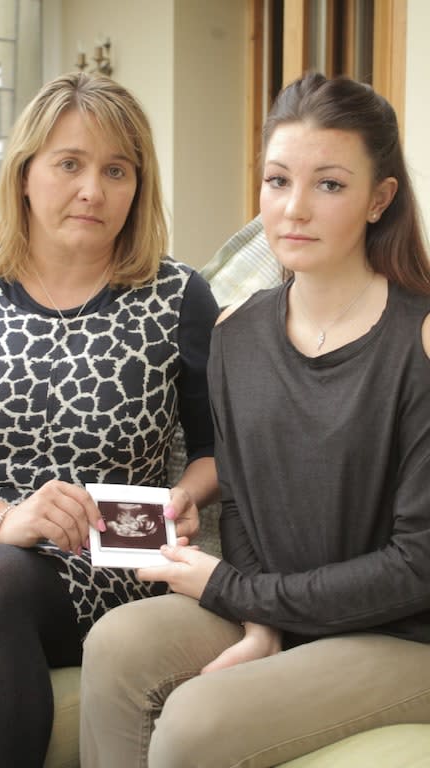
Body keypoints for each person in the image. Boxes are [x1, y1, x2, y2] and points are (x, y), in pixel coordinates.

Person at [80, 71, 430, 768]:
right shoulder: (237, 333)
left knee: (195, 726)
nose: (294, 208)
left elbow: (418, 566)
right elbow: (237, 505)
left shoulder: (418, 341)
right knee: (115, 645)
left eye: (329, 184)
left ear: (378, 199)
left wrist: (234, 591)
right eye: (277, 181)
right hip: (279, 603)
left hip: (402, 635)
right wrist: (258, 615)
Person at [0, 71, 220, 768]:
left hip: (99, 567)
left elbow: (218, 449)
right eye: (69, 164)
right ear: (25, 173)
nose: (93, 190)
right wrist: (5, 523)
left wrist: (189, 493)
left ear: (139, 185)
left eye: (116, 170)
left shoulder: (179, 296)